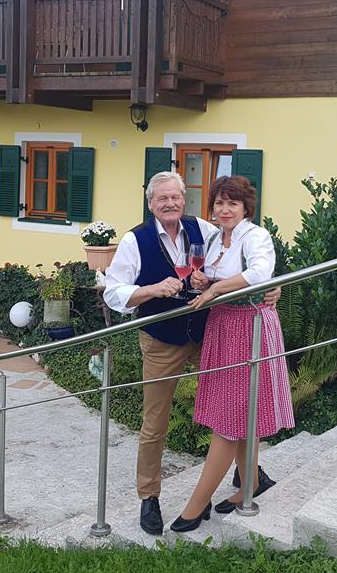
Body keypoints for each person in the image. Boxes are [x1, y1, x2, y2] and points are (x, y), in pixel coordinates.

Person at [103, 171, 279, 536]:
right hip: (162, 339)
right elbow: (113, 292)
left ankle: (250, 474)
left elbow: (246, 266)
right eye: (162, 198)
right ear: (151, 203)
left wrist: (270, 289)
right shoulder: (135, 240)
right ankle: (149, 496)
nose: (170, 203)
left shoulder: (205, 230)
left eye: (175, 197)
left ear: (185, 199)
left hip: (208, 334)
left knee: (237, 401)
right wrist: (151, 289)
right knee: (155, 421)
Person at [170, 175, 294, 532]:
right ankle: (251, 483)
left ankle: (197, 505)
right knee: (239, 411)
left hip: (249, 326)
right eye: (220, 203)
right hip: (223, 325)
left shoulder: (256, 236)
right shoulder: (213, 238)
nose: (225, 209)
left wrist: (214, 290)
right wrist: (204, 282)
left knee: (230, 416)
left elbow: (260, 272)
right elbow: (214, 276)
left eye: (232, 203)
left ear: (245, 208)